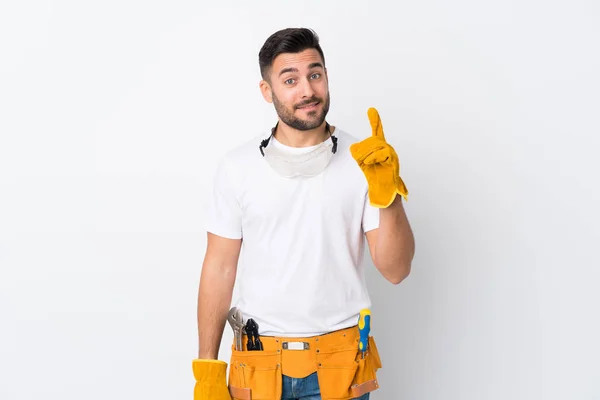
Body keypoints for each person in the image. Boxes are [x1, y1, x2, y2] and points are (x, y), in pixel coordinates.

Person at [192, 27, 415, 400]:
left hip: (340, 364)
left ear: (326, 77)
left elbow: (396, 270)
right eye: (290, 79)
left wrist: (388, 193)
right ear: (268, 91)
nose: (307, 90)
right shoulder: (237, 167)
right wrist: (208, 369)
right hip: (258, 363)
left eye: (315, 74)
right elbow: (219, 267)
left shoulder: (365, 159)